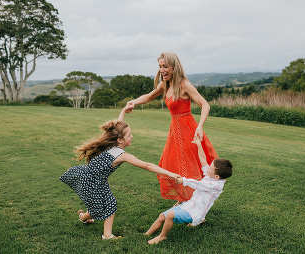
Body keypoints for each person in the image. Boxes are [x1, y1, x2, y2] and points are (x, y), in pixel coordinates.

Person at [60, 106, 181, 240]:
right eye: (129, 135)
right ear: (120, 140)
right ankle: (107, 235)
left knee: (102, 206)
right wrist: (170, 174)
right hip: (92, 181)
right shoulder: (122, 155)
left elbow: (117, 128)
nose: (132, 136)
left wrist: (123, 111)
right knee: (108, 205)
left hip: (87, 175)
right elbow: (147, 165)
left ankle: (83, 217)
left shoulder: (111, 143)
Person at [125, 52, 218, 204]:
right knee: (173, 164)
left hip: (188, 129)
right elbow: (148, 97)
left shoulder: (184, 85)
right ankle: (184, 198)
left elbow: (205, 104)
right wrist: (133, 102)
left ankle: (197, 205)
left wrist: (200, 126)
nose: (162, 70)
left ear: (174, 67)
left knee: (190, 166)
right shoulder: (165, 85)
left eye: (165, 66)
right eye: (160, 66)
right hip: (175, 131)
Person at [144, 135, 232, 244]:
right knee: (162, 215)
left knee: (170, 214)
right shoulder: (211, 176)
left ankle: (162, 236)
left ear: (217, 177)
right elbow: (203, 161)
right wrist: (199, 145)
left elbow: (197, 184)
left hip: (196, 213)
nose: (208, 167)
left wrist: (183, 180)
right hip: (188, 206)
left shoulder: (214, 185)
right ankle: (146, 234)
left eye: (210, 168)